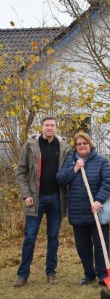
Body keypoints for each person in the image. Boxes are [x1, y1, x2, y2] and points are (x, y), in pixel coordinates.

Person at [14, 116, 72, 287]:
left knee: (53, 237)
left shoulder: (64, 147)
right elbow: (20, 172)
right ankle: (23, 275)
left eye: (52, 125)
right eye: (46, 125)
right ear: (41, 127)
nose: (49, 128)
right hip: (35, 200)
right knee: (30, 237)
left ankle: (51, 273)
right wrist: (26, 195)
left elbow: (71, 170)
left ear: (56, 127)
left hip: (56, 198)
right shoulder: (31, 146)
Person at [56, 132, 110, 285]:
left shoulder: (101, 161)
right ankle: (89, 274)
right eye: (78, 144)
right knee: (82, 246)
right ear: (75, 147)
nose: (82, 146)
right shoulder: (70, 161)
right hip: (77, 210)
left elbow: (107, 182)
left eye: (84, 143)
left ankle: (103, 275)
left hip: (96, 211)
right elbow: (60, 179)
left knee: (101, 245)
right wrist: (74, 168)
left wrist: (99, 200)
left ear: (90, 144)